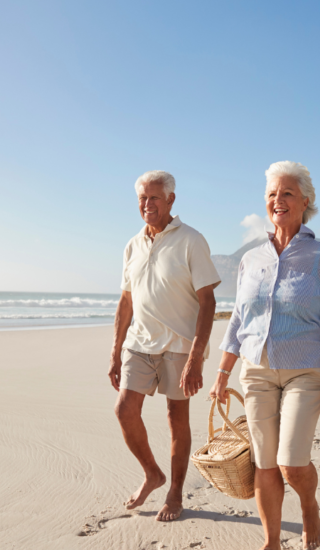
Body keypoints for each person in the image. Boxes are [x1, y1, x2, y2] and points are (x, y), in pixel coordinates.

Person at [209, 161, 320, 550]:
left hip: (306, 372)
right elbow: (240, 319)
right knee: (264, 461)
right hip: (255, 371)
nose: (278, 200)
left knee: (292, 463)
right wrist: (222, 372)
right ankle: (272, 542)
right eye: (272, 194)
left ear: (305, 202)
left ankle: (308, 505)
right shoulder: (251, 259)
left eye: (287, 193)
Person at [109, 170, 221, 522]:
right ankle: (153, 474)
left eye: (154, 197)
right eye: (142, 198)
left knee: (177, 418)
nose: (147, 204)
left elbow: (208, 302)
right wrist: (115, 351)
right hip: (139, 342)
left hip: (179, 344)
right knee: (125, 410)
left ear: (171, 199)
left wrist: (196, 357)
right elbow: (126, 301)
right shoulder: (133, 244)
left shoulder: (191, 240)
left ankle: (174, 492)